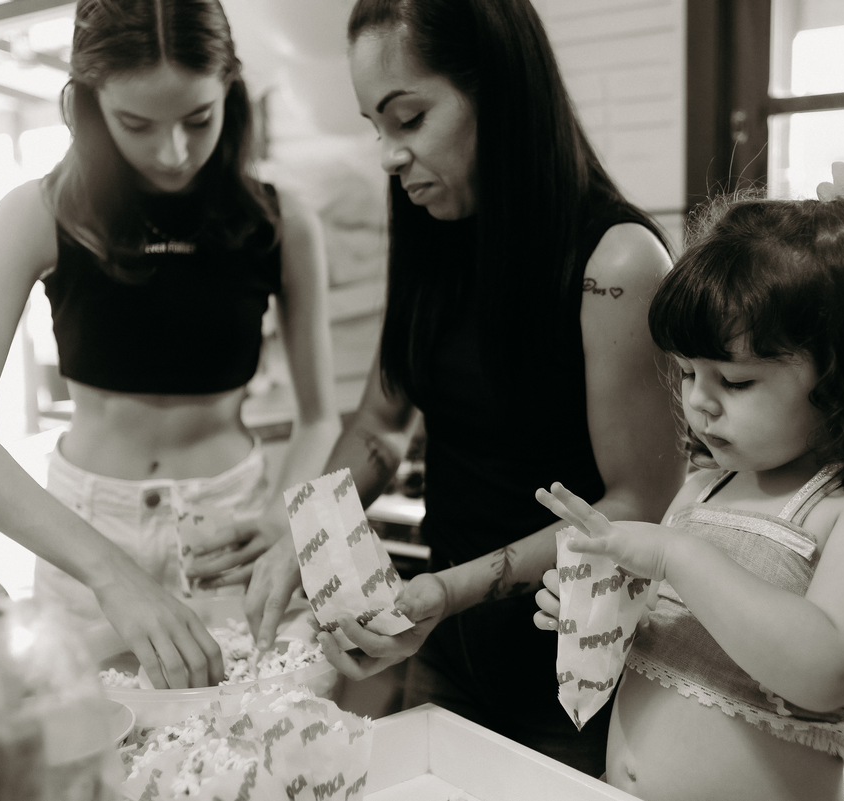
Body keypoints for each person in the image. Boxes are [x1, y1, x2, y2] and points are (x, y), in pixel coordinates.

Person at [186, 0, 686, 776]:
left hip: (574, 675)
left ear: (500, 90)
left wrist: (449, 590)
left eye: (409, 119)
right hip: (448, 655)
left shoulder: (616, 263)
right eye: (374, 127)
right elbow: (381, 421)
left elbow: (637, 502)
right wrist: (302, 532)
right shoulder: (432, 230)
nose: (389, 155)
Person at [0, 0, 339, 690]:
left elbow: (320, 418)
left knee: (252, 740)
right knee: (92, 746)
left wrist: (289, 514)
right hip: (86, 538)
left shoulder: (282, 222)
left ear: (229, 89)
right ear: (88, 103)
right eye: (137, 124)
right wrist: (111, 572)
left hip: (230, 534)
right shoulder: (38, 213)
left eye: (198, 118)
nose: (174, 152)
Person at [532, 164, 844, 801]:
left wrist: (675, 555)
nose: (699, 402)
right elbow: (691, 640)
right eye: (686, 373)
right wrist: (609, 610)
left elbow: (825, 671)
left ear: (842, 377)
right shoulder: (704, 487)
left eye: (735, 381)